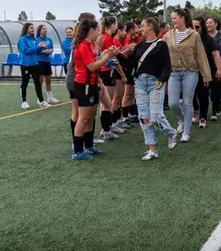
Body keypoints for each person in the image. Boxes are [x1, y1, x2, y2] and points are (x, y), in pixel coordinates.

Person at [129, 17, 178, 160]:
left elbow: (167, 66)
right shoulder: (138, 45)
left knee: (155, 116)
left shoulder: (161, 45)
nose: (140, 29)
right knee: (144, 116)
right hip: (140, 83)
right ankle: (152, 150)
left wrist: (163, 79)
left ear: (150, 27)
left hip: (155, 82)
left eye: (142, 26)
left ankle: (171, 133)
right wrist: (118, 55)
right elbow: (130, 64)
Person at [72, 19, 120, 160]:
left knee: (90, 117)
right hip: (83, 85)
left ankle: (89, 146)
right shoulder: (83, 46)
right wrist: (108, 57)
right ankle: (77, 151)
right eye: (97, 30)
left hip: (92, 84)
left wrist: (98, 81)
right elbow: (92, 66)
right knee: (83, 118)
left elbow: (94, 65)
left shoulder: (90, 45)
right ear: (91, 30)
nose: (99, 33)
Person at [163, 9, 212, 143]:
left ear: (182, 18)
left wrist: (206, 75)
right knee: (173, 103)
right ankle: (183, 119)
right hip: (173, 72)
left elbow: (201, 56)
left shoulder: (194, 35)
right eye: (172, 18)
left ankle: (186, 132)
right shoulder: (168, 35)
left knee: (187, 101)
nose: (172, 20)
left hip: (190, 72)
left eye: (174, 18)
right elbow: (161, 52)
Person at [192, 17, 221, 128]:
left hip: (205, 70)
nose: (194, 29)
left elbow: (216, 54)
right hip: (190, 70)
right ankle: (195, 109)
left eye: (197, 27)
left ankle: (203, 117)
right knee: (190, 93)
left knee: (203, 94)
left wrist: (219, 69)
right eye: (192, 27)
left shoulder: (208, 39)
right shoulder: (188, 38)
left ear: (202, 27)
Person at [17, 22, 48, 109]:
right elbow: (25, 51)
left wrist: (41, 47)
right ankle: (23, 102)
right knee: (24, 83)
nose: (33, 29)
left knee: (37, 83)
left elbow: (36, 51)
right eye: (31, 28)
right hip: (25, 65)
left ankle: (41, 101)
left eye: (33, 28)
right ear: (26, 29)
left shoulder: (33, 39)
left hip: (35, 64)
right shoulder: (23, 39)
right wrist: (37, 46)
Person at [206, 17, 221, 118]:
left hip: (219, 66)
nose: (208, 25)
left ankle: (214, 110)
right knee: (208, 89)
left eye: (210, 23)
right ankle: (217, 106)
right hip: (206, 66)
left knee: (216, 88)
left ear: (216, 24)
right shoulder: (203, 36)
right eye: (207, 23)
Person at [36, 24, 59, 104]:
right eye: (43, 29)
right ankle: (40, 98)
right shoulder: (36, 39)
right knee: (40, 80)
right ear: (39, 30)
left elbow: (51, 49)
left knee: (48, 80)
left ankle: (50, 97)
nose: (45, 30)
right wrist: (42, 51)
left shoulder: (49, 39)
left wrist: (49, 51)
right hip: (39, 61)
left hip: (47, 61)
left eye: (46, 29)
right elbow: (36, 50)